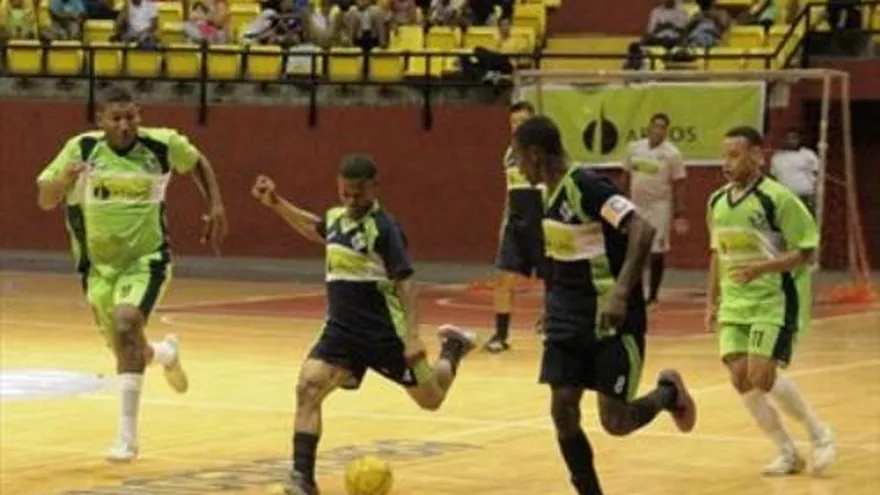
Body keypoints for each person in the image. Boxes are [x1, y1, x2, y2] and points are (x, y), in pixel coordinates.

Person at [250, 155, 478, 495]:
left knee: (431, 398)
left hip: (385, 335)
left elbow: (406, 284)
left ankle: (453, 347)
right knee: (308, 388)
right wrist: (276, 203)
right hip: (341, 333)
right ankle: (302, 479)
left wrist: (413, 336)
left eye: (358, 194)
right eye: (345, 194)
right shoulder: (335, 219)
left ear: (374, 187)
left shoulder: (385, 229)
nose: (352, 201)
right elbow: (315, 228)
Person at [35, 84, 228, 462]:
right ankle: (165, 353)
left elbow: (198, 161)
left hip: (147, 259)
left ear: (139, 115)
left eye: (131, 117)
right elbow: (44, 199)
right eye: (116, 118)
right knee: (128, 349)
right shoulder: (82, 149)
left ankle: (127, 438)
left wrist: (216, 205)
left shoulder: (161, 145)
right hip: (97, 268)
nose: (125, 125)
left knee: (126, 324)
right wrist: (65, 182)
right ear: (100, 121)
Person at [513, 115, 697, 495]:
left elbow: (642, 230)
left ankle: (668, 392)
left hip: (610, 321)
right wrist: (552, 304)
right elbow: (565, 257)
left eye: (518, 156)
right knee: (562, 410)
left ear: (535, 154)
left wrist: (620, 291)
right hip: (567, 320)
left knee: (616, 422)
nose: (516, 165)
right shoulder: (548, 194)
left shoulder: (586, 186)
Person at [705, 125, 835, 476]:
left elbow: (806, 252)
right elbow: (717, 253)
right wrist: (711, 301)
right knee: (740, 379)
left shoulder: (777, 198)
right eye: (723, 156)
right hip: (734, 302)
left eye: (734, 155)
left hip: (773, 298)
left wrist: (762, 268)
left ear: (757, 156)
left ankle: (819, 433)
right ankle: (787, 452)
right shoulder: (716, 201)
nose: (726, 163)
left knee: (761, 374)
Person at [485, 101, 547, 353]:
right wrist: (504, 223)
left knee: (550, 277)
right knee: (502, 276)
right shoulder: (509, 153)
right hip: (515, 219)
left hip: (540, 218)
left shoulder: (543, 152)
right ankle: (500, 334)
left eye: (522, 121)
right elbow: (509, 193)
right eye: (513, 122)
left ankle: (551, 324)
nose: (517, 126)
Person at [620, 113, 688, 306]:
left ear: (666, 131)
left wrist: (680, 214)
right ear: (648, 127)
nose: (657, 130)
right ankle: (634, 292)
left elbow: (680, 183)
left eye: (662, 127)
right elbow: (625, 174)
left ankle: (653, 295)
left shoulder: (672, 154)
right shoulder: (634, 148)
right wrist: (621, 199)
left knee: (656, 251)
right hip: (636, 205)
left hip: (659, 207)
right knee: (634, 250)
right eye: (655, 126)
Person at [769, 129, 819, 217]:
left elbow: (817, 174)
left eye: (794, 138)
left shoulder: (808, 154)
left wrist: (815, 195)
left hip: (805, 197)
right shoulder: (776, 157)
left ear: (799, 140)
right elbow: (774, 177)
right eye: (788, 138)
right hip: (785, 198)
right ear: (783, 140)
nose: (791, 140)